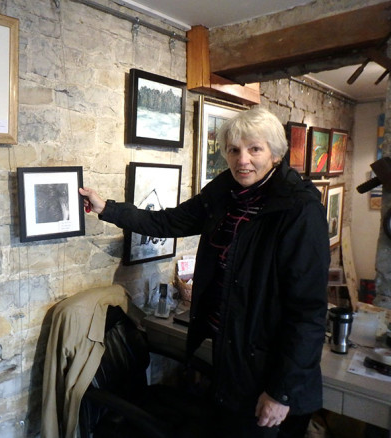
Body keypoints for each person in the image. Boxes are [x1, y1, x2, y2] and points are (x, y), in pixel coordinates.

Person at [79, 107, 329, 438]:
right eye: (234, 150)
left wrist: (281, 392)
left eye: (255, 149)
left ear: (275, 153)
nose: (243, 160)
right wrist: (106, 208)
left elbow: (307, 312)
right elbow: (168, 221)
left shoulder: (299, 210)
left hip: (265, 365)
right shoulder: (225, 192)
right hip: (229, 349)